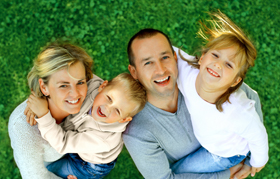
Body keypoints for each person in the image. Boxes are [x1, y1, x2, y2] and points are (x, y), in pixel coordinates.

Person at [123, 27, 264, 178]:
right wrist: (227, 174)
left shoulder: (202, 80)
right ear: (134, 72)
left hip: (228, 151)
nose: (161, 70)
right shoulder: (138, 132)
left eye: (165, 57)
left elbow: (250, 98)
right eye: (148, 63)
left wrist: (251, 159)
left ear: (175, 58)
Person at [171, 11, 268, 176]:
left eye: (229, 65)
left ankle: (231, 172)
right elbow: (167, 53)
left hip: (225, 153)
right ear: (202, 58)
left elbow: (258, 136)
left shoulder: (237, 111)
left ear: (235, 81)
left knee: (178, 171)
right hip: (209, 137)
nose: (217, 64)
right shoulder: (187, 73)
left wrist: (257, 162)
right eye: (215, 55)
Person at [26, 72, 146, 179]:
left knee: (49, 170)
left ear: (124, 119)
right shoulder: (90, 84)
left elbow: (62, 143)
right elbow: (67, 75)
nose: (107, 108)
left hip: (89, 165)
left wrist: (43, 114)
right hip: (82, 141)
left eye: (117, 111)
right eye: (109, 98)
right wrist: (42, 98)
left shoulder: (103, 139)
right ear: (102, 86)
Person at [8, 43, 101, 179]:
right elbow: (35, 177)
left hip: (76, 150)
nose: (75, 94)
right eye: (63, 85)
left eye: (80, 82)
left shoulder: (91, 89)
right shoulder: (24, 127)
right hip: (52, 164)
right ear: (43, 87)